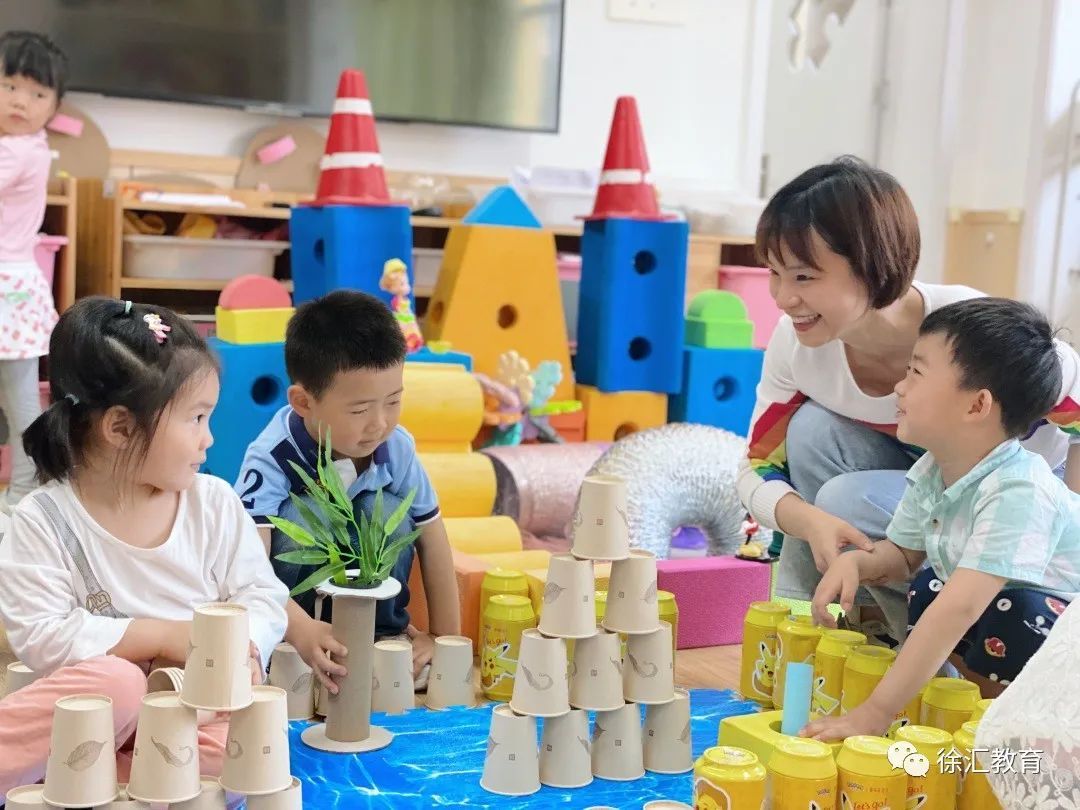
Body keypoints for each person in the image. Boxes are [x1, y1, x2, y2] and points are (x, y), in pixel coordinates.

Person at [737, 157, 1080, 643]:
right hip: (926, 481)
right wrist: (807, 520)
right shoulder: (796, 344)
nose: (782, 297)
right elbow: (755, 465)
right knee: (811, 432)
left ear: (873, 266)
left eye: (804, 278)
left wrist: (1068, 511)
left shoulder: (968, 329)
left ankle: (934, 639)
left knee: (842, 497)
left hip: (1006, 504)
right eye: (773, 274)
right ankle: (870, 618)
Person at [0, 297, 288, 794]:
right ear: (120, 427)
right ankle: (86, 776)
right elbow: (40, 635)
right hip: (91, 711)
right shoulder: (43, 519)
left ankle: (85, 783)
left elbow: (262, 594)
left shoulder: (213, 504)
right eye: (196, 419)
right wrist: (160, 637)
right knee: (119, 684)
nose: (209, 439)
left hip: (190, 712)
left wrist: (247, 646)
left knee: (248, 751)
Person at [801, 298, 1080, 741]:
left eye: (916, 372)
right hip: (1004, 615)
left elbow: (961, 607)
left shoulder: (1019, 490)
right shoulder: (937, 466)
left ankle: (1004, 725)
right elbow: (904, 555)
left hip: (1064, 639)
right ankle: (962, 706)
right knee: (931, 585)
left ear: (976, 405)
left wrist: (875, 712)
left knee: (985, 606)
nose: (899, 388)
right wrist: (856, 563)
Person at [235, 290, 460, 694]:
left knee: (386, 510)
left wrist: (444, 642)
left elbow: (433, 538)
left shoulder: (396, 447)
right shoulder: (273, 455)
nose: (379, 424)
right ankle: (293, 650)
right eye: (359, 410)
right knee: (307, 516)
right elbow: (246, 565)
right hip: (296, 626)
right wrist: (299, 630)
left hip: (370, 614)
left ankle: (384, 640)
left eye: (393, 401)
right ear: (304, 402)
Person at [0, 31, 66, 512]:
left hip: (9, 288)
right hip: (12, 284)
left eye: (37, 93)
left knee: (20, 397)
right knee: (16, 395)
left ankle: (25, 490)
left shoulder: (21, 151)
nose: (21, 101)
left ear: (53, 107)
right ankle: (23, 485)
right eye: (9, 86)